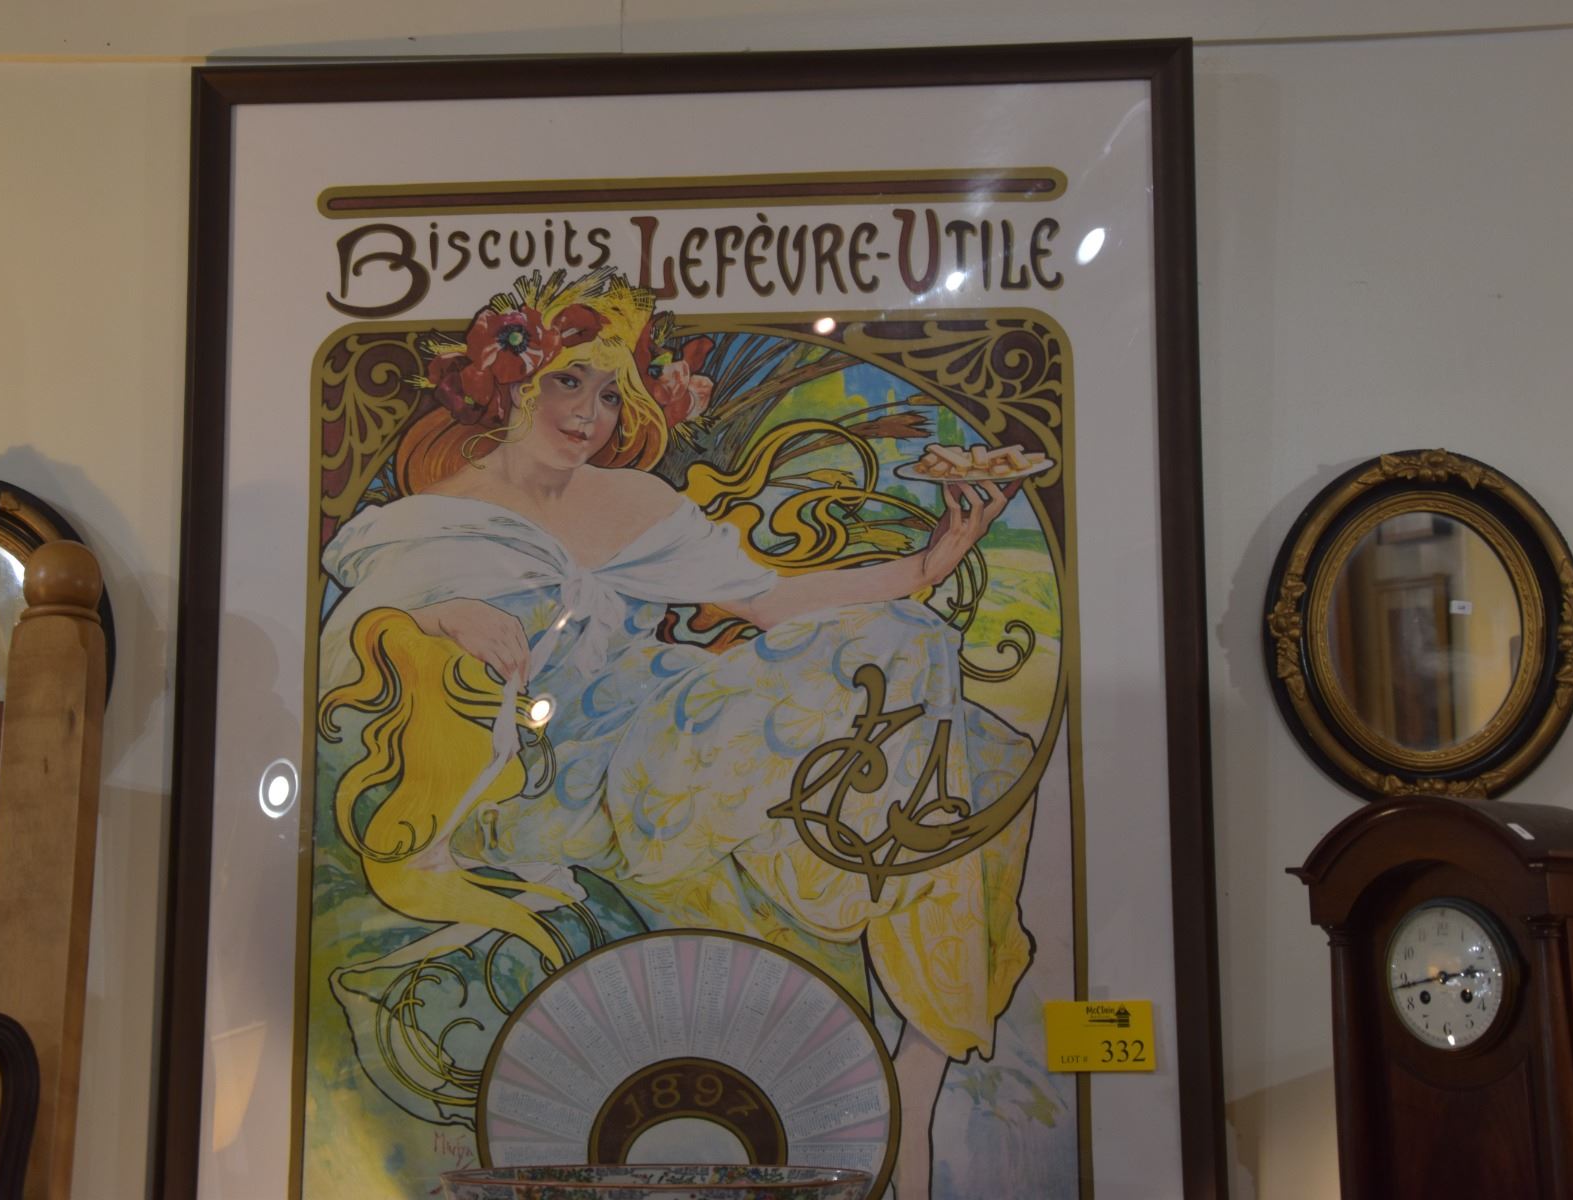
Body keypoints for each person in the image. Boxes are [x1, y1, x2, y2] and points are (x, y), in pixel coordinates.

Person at [317, 269, 1037, 1200]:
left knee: (943, 695)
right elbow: (351, 635)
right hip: (555, 772)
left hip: (663, 705)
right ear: (512, 381)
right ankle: (890, 985)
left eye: (613, 393)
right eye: (569, 382)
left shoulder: (632, 502)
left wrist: (928, 564)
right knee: (907, 699)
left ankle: (923, 1057)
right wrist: (447, 612)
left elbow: (768, 601)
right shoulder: (428, 518)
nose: (591, 414)